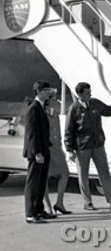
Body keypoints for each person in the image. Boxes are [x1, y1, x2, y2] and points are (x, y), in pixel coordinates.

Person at [64, 82, 111, 210]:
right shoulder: (73, 109)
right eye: (87, 93)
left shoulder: (95, 103)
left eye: (90, 92)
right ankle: (88, 202)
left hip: (97, 145)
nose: (90, 94)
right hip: (82, 147)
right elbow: (68, 130)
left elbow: (110, 111)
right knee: (83, 176)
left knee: (105, 173)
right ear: (79, 94)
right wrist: (69, 150)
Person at [23, 81, 54, 223]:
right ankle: (30, 213)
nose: (49, 92)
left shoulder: (41, 107)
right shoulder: (33, 108)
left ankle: (39, 210)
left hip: (43, 150)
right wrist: (37, 152)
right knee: (33, 183)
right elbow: (31, 133)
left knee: (41, 182)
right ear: (40, 91)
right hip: (37, 152)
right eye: (47, 90)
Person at [43, 92, 72, 216]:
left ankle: (59, 202)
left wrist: (61, 148)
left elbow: (59, 134)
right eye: (55, 99)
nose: (58, 101)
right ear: (48, 101)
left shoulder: (55, 114)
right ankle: (47, 205)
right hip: (46, 149)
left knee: (65, 173)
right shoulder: (42, 114)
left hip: (56, 148)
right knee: (44, 177)